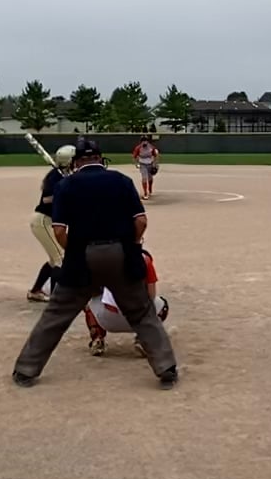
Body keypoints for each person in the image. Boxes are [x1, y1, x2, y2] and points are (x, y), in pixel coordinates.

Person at [12, 139, 179, 389]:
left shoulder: (66, 185)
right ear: (100, 159)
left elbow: (59, 231)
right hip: (121, 254)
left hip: (83, 256)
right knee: (142, 313)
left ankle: (26, 370)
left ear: (77, 162)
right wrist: (132, 245)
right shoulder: (121, 181)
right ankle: (166, 368)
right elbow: (141, 221)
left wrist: (74, 252)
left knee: (56, 315)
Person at [83, 248, 168, 356]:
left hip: (109, 320)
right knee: (162, 305)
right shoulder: (144, 258)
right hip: (139, 320)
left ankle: (97, 337)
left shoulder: (98, 259)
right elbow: (151, 296)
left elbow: (90, 292)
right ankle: (144, 339)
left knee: (89, 301)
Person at [27, 144, 77, 302]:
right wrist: (63, 193)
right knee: (61, 259)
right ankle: (57, 298)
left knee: (54, 259)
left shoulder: (68, 175)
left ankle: (35, 291)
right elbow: (46, 199)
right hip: (43, 220)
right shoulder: (55, 176)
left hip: (51, 222)